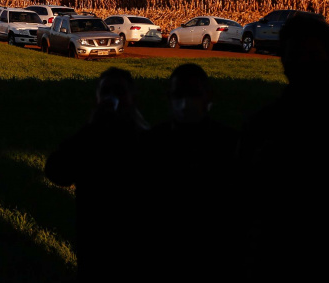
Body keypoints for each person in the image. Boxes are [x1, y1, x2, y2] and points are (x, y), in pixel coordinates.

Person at [238, 14, 329, 281]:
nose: (304, 62)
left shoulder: (265, 124)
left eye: (312, 54)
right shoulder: (263, 125)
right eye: (297, 53)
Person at [44, 67, 148, 282]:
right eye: (107, 91)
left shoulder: (146, 140)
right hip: (93, 241)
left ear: (132, 98)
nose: (112, 97)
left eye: (119, 91)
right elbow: (56, 171)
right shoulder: (90, 137)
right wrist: (91, 129)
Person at [140, 64, 239, 282]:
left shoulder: (229, 145)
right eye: (179, 95)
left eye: (193, 94)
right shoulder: (153, 142)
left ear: (208, 97)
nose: (185, 103)